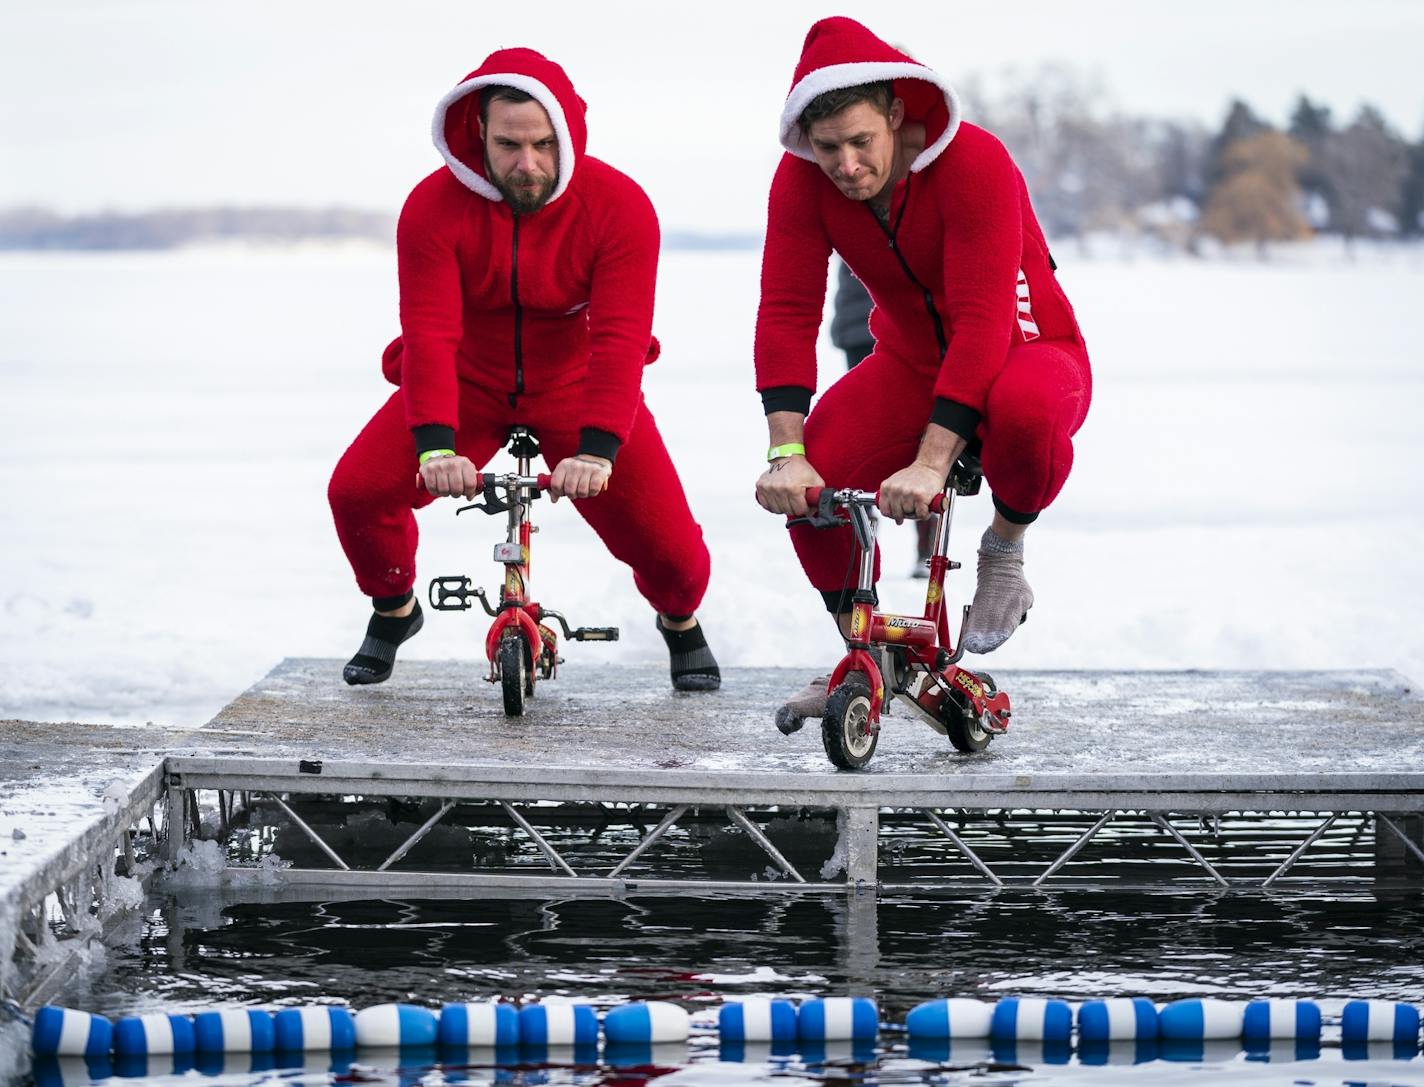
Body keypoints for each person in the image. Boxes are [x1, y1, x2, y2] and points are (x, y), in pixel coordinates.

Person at [329, 47, 719, 692]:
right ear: (477, 131)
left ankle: (680, 623)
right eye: (509, 143)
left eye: (543, 143)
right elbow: (429, 334)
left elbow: (620, 338)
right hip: (465, 382)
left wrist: (599, 450)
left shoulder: (619, 205)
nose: (527, 163)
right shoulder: (432, 206)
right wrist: (434, 446)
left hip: (576, 385)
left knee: (674, 554)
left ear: (566, 133)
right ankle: (394, 609)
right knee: (357, 493)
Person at [752, 17, 1091, 725]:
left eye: (859, 142)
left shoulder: (973, 161)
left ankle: (1004, 549)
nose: (844, 165)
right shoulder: (803, 181)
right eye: (826, 148)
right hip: (909, 361)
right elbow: (786, 310)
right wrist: (786, 452)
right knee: (815, 483)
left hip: (1027, 348)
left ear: (897, 111)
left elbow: (980, 322)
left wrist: (934, 463)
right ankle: (865, 655)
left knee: (1025, 415)